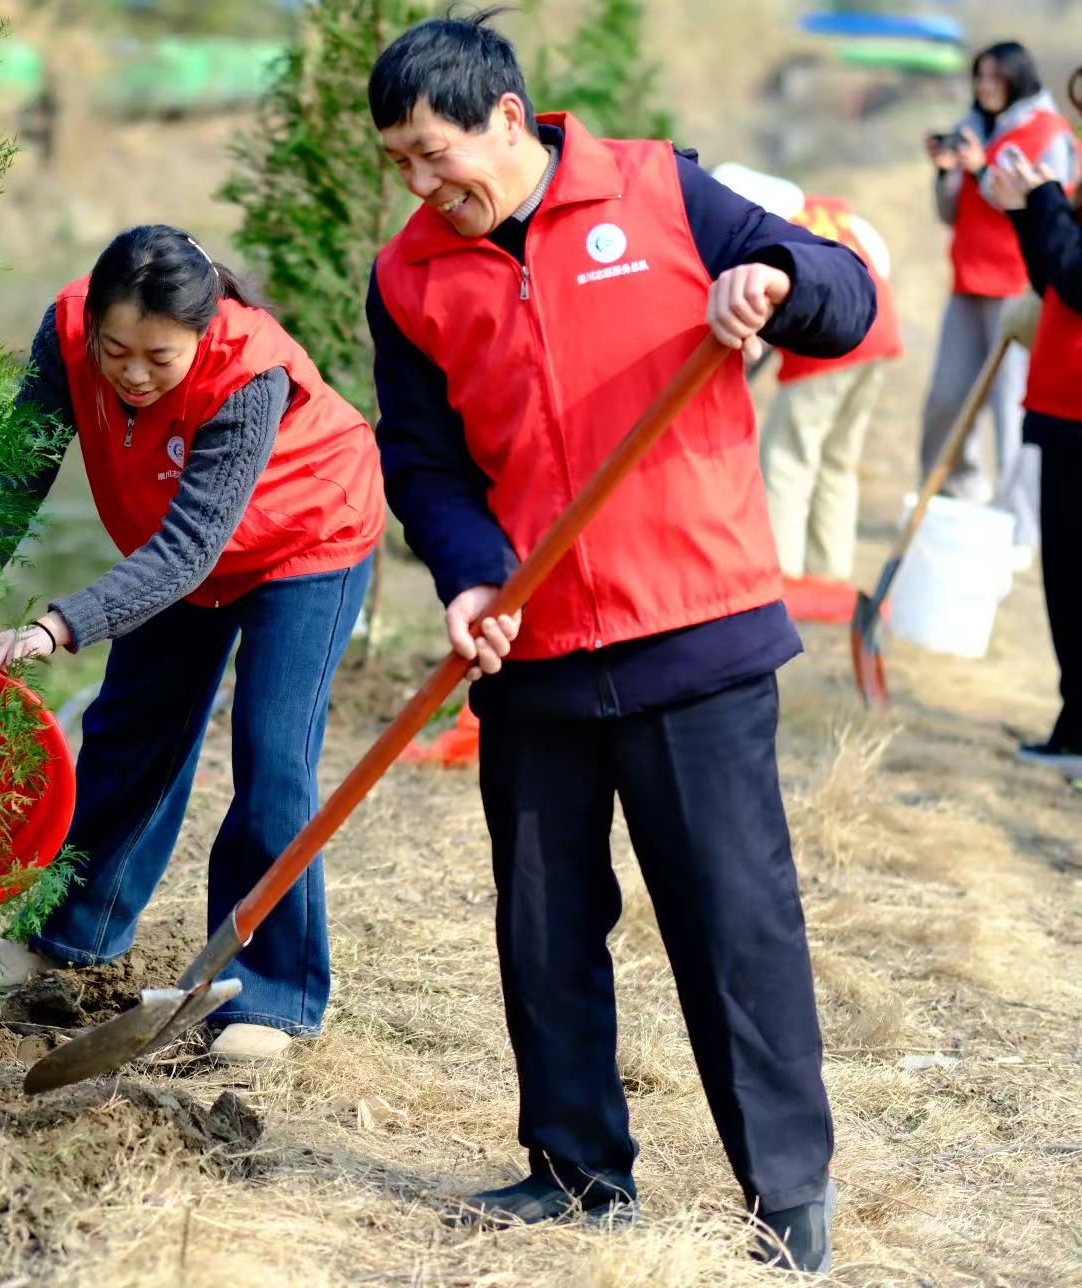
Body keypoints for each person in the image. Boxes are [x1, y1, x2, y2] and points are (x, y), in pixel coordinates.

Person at [365, 13, 876, 1274]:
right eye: (401, 166)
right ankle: (577, 1169)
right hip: (533, 650)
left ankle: (787, 1195)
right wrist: (473, 579)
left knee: (729, 919)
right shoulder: (409, 277)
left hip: (691, 631)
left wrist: (778, 286)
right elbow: (423, 461)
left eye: (437, 155)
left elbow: (847, 296)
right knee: (542, 920)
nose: (426, 190)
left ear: (506, 115)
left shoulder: (661, 190)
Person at [0, 225, 385, 1065]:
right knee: (128, 734)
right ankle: (70, 937)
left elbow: (193, 549)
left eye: (160, 357)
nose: (133, 373)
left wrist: (57, 623)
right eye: (116, 351)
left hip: (305, 538)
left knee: (272, 759)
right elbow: (17, 471)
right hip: (176, 544)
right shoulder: (68, 330)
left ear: (204, 330)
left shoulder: (248, 369)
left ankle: (273, 993)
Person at [714, 165, 904, 602]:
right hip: (878, 338)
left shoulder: (772, 236)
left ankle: (786, 576)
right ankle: (829, 572)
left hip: (829, 353)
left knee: (788, 457)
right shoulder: (833, 215)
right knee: (837, 459)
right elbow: (881, 263)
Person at [922, 42, 1076, 562]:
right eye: (979, 77)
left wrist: (983, 165)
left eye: (994, 77)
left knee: (1012, 412)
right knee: (947, 397)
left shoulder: (1050, 133)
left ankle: (1019, 523)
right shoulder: (973, 124)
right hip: (967, 278)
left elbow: (1043, 205)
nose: (984, 87)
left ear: (1017, 78)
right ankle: (954, 496)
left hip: (1016, 282)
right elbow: (952, 211)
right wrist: (947, 171)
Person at [988, 73, 1082, 776]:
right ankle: (1075, 720)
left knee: (1077, 577)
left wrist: (1044, 198)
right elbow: (1054, 274)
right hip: (1061, 399)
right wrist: (1028, 210)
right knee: (1067, 576)